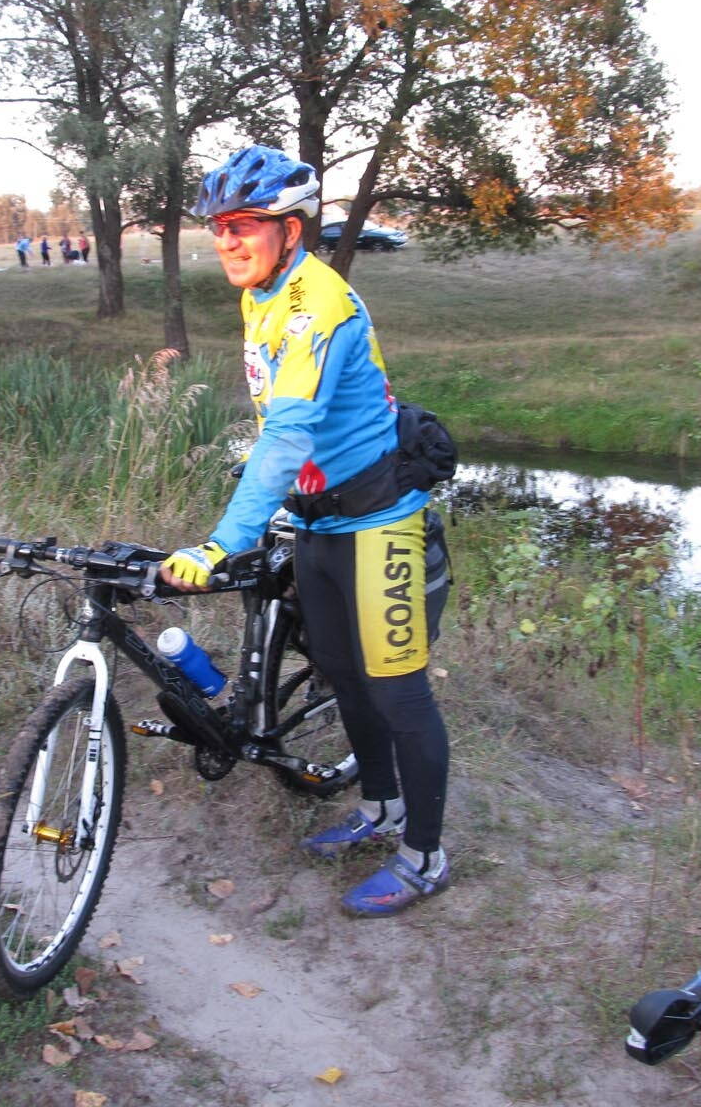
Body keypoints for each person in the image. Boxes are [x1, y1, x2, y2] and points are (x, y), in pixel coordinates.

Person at [160, 146, 452, 917]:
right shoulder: (262, 292)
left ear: (290, 230)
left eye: (244, 224)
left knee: (399, 692)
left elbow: (287, 436)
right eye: (219, 226)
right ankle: (380, 810)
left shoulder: (319, 305)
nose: (227, 240)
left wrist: (224, 541)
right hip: (317, 521)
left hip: (381, 524)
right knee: (342, 676)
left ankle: (425, 855)